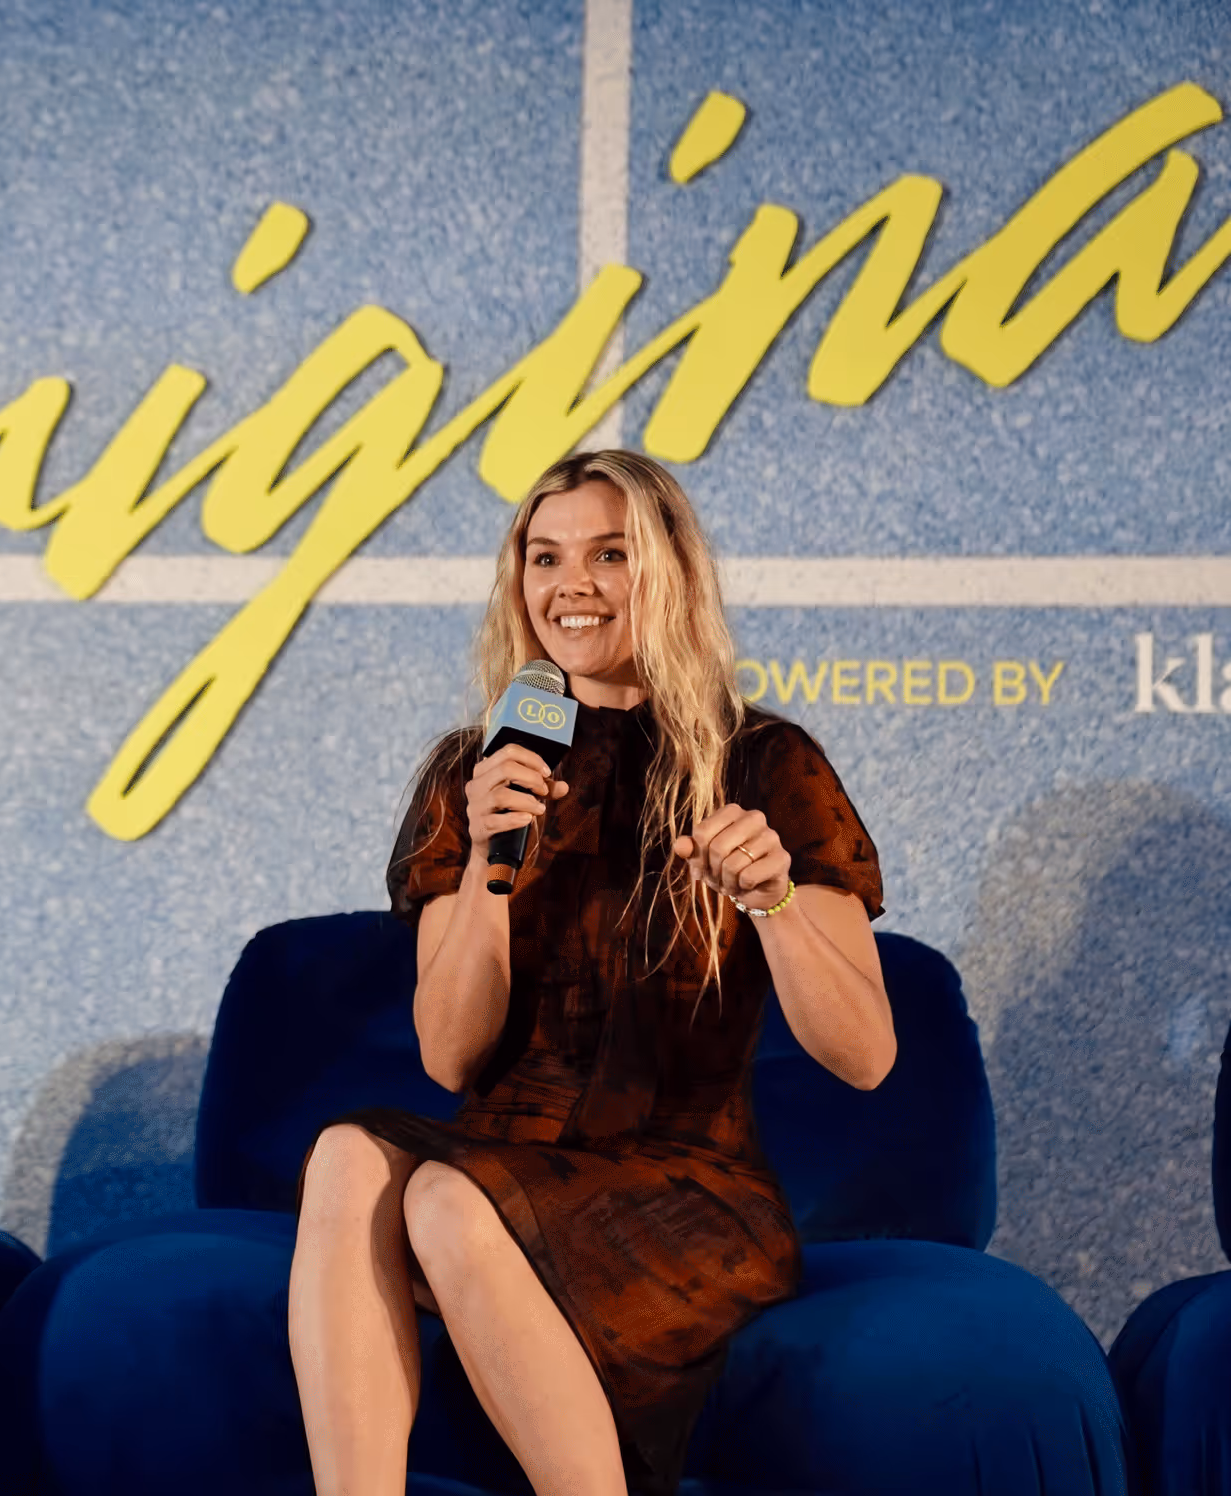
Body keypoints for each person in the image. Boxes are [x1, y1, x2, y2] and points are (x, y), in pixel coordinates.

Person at [286, 450, 896, 1496]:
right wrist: (484, 863)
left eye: (608, 553)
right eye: (544, 556)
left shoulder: (761, 762)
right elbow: (448, 1052)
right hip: (497, 1157)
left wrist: (774, 900)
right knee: (350, 1156)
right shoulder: (473, 771)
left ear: (669, 574)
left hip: (685, 1184)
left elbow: (866, 1056)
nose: (570, 584)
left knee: (440, 1197)